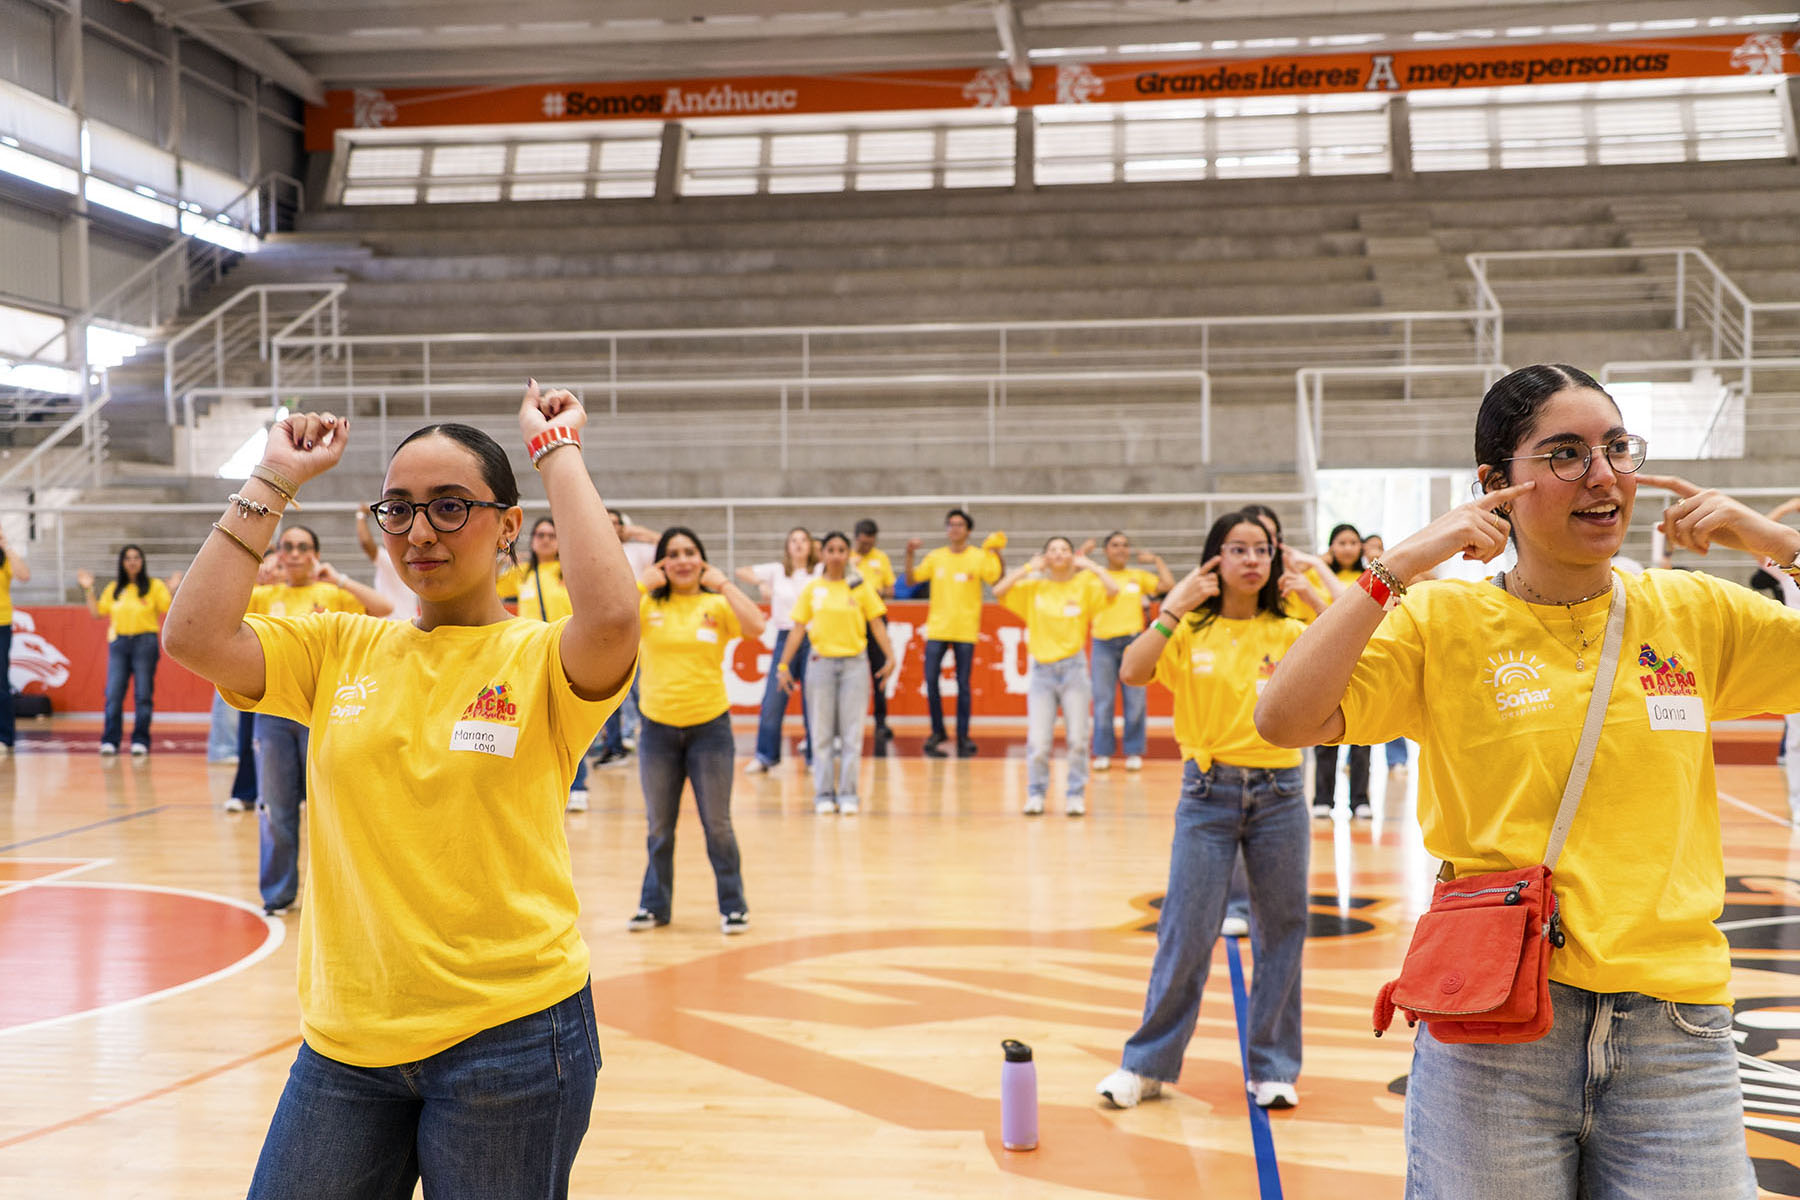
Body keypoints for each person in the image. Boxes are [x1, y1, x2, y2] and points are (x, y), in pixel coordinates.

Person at [1255, 363, 1800, 1199]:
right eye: (1567, 454)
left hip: (1676, 1030)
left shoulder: (1698, 612)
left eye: (1616, 448)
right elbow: (1284, 721)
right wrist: (1399, 565)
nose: (1605, 476)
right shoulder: (1442, 621)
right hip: (1494, 1027)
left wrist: (1776, 544)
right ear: (1494, 486)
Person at [163, 382, 638, 1199]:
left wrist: (556, 449)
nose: (420, 530)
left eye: (452, 507)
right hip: (347, 1042)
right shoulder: (338, 647)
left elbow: (614, 621)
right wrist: (274, 474)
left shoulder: (540, 660)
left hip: (513, 1036)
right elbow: (196, 635)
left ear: (509, 526)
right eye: (400, 508)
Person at [1096, 510, 1310, 1112]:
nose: (1250, 560)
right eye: (1236, 549)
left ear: (1273, 560)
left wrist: (1317, 596)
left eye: (1261, 550)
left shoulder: (1292, 627)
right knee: (1185, 931)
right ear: (1213, 559)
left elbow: (1356, 659)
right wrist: (1172, 607)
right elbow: (1132, 671)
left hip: (1281, 795)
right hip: (1206, 795)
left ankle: (1273, 1066)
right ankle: (1146, 1065)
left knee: (1282, 931)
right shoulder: (1190, 628)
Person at [244, 525, 393, 915]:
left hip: (325, 713)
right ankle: (278, 895)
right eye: (287, 547)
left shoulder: (332, 594)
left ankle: (341, 898)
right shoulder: (261, 595)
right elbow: (214, 620)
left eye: (303, 547)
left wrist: (338, 577)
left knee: (334, 808)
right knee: (276, 809)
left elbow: (384, 609)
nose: (294, 553)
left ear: (315, 553)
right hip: (273, 714)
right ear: (276, 553)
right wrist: (248, 577)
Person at [632, 527, 766, 934]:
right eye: (673, 554)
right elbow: (607, 615)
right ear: (661, 563)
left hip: (710, 729)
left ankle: (733, 906)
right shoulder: (646, 605)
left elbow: (757, 625)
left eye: (690, 552)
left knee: (718, 824)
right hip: (657, 730)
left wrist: (723, 582)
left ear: (702, 560)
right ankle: (654, 906)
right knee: (658, 826)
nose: (683, 560)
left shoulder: (715, 604)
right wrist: (640, 584)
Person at [995, 538, 1116, 815]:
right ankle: (1035, 793)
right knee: (1038, 742)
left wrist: (1091, 566)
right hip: (1042, 674)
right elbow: (998, 590)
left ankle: (1075, 794)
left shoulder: (1084, 585)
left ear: (1072, 555)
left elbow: (1113, 590)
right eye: (1053, 550)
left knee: (1077, 739)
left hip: (1074, 670)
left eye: (1064, 550)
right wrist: (1028, 567)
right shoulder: (1034, 587)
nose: (1059, 554)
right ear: (1045, 557)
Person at [777, 531, 896, 814]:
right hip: (820, 665)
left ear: (847, 554)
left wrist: (891, 656)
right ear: (823, 554)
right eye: (830, 549)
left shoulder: (859, 586)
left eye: (841, 549)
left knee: (852, 735)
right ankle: (824, 794)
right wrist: (784, 665)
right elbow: (797, 629)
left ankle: (848, 794)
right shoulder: (812, 588)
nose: (836, 555)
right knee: (821, 734)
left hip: (854, 665)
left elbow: (877, 624)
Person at [514, 516, 600, 813]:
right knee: (531, 722)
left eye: (552, 534)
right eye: (539, 534)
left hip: (565, 652)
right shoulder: (521, 573)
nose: (546, 539)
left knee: (568, 723)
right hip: (529, 656)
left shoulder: (570, 572)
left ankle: (578, 785)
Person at [904, 508, 1005, 757]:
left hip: (965, 630)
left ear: (968, 530)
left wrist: (997, 554)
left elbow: (997, 580)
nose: (954, 529)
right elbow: (911, 580)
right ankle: (937, 731)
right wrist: (909, 554)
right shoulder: (936, 556)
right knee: (931, 681)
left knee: (963, 685)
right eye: (950, 525)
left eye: (959, 525)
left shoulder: (979, 557)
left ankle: (963, 736)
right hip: (938, 628)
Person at [75, 546, 180, 756]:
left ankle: (140, 740)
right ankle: (110, 741)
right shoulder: (114, 588)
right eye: (128, 558)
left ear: (142, 561)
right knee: (113, 694)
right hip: (119, 645)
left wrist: (173, 589)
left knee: (143, 694)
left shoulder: (154, 586)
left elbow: (170, 609)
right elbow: (97, 612)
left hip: (145, 643)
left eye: (136, 558)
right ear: (122, 563)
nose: (132, 562)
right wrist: (88, 589)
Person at [1083, 532, 1172, 773]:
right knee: (1103, 702)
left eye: (1124, 545)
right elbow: (1070, 574)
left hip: (1133, 643)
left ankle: (1133, 751)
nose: (1120, 549)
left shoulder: (1138, 576)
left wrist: (1157, 561)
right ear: (1105, 550)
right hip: (1102, 643)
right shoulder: (1094, 578)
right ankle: (1102, 752)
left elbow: (1168, 587)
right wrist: (1082, 553)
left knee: (1135, 701)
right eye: (1114, 545)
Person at [740, 527, 817, 774]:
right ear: (787, 546)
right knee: (773, 699)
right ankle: (765, 755)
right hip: (785, 636)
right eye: (793, 540)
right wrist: (762, 582)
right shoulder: (776, 571)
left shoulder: (820, 571)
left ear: (811, 545)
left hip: (814, 636)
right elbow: (741, 571)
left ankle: (815, 756)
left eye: (803, 540)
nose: (798, 544)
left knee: (814, 700)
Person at [1313, 523, 1372, 819]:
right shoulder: (1318, 578)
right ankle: (1322, 798)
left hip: (1364, 663)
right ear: (1330, 547)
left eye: (1352, 542)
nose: (1347, 547)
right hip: (1326, 665)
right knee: (1323, 735)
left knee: (1363, 737)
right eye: (1341, 542)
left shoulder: (1372, 576)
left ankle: (1360, 800)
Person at [595, 510, 658, 763]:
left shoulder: (637, 550)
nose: (612, 527)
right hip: (604, 628)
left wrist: (636, 531)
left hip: (636, 626)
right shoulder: (595, 550)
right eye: (606, 522)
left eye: (616, 523)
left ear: (623, 527)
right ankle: (615, 744)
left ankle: (649, 742)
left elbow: (666, 544)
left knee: (638, 687)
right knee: (608, 691)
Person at [1361, 532, 1411, 776]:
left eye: (1379, 547)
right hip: (1364, 652)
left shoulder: (1396, 579)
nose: (1374, 551)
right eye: (1369, 547)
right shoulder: (1359, 582)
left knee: (1395, 710)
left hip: (1392, 650)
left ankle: (1397, 760)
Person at [851, 518, 898, 753]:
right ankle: (851, 723)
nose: (867, 547)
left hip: (876, 618)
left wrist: (881, 592)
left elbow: (891, 589)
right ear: (856, 538)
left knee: (879, 671)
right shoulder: (846, 558)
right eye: (863, 543)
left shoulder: (881, 558)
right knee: (852, 672)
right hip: (850, 620)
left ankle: (880, 721)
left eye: (871, 543)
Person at [354, 508, 419, 623]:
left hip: (396, 626)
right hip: (403, 625)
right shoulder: (402, 561)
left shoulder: (392, 562)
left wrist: (361, 514)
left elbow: (365, 542)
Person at [0, 529, 29, 755]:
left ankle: (5, 737)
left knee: (1, 682)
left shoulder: (4, 559)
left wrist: (5, 545)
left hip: (1, 624)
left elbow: (24, 575)